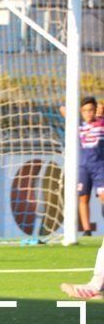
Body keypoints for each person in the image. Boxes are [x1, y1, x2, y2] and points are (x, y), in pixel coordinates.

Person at [60, 97, 104, 236]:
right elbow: (62, 109)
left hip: (100, 166)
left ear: (95, 110)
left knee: (103, 196)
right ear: (81, 111)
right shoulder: (78, 124)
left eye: (91, 109)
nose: (88, 113)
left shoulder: (101, 123)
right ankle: (87, 230)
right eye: (85, 110)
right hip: (83, 167)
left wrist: (100, 112)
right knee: (83, 198)